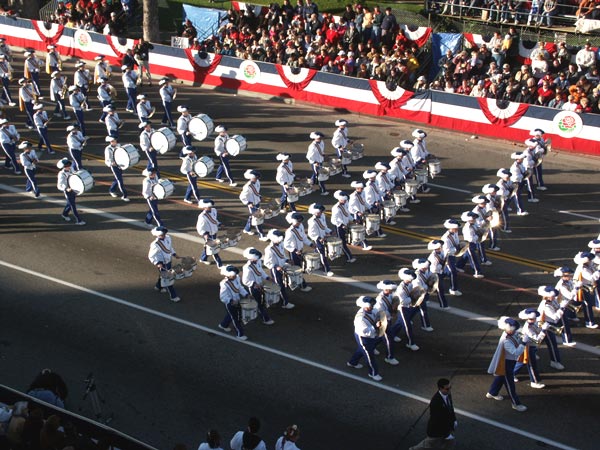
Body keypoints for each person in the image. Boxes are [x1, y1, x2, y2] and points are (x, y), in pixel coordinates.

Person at [486, 316, 528, 412]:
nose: (516, 331)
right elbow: (516, 352)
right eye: (515, 330)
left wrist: (522, 338)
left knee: (500, 377)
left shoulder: (510, 334)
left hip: (509, 362)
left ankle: (493, 392)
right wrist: (523, 343)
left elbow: (516, 338)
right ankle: (515, 403)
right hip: (506, 364)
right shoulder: (506, 340)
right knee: (510, 385)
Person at [409, 378, 457, 450]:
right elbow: (437, 420)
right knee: (428, 445)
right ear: (440, 388)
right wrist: (446, 433)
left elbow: (450, 407)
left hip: (446, 427)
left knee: (449, 443)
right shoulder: (436, 402)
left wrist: (454, 419)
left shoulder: (447, 394)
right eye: (447, 389)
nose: (450, 390)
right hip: (437, 431)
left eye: (450, 387)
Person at [347, 295, 384, 381]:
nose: (372, 307)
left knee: (362, 349)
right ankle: (373, 373)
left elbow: (377, 314)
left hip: (370, 335)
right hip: (364, 337)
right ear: (365, 307)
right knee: (369, 355)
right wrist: (376, 326)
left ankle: (352, 362)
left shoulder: (372, 310)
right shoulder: (360, 318)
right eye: (370, 306)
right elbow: (365, 331)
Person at [513, 308, 547, 389]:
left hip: (531, 346)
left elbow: (537, 331)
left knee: (522, 361)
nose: (533, 320)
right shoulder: (528, 327)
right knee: (532, 365)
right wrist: (544, 330)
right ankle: (534, 381)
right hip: (528, 347)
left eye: (534, 318)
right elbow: (537, 340)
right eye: (531, 319)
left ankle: (510, 374)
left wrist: (542, 328)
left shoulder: (533, 323)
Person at [390, 268, 421, 351]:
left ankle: (391, 334)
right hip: (403, 308)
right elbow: (402, 301)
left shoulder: (409, 284)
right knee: (407, 326)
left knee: (400, 323)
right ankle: (410, 343)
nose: (412, 281)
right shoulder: (401, 289)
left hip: (407, 307)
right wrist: (413, 297)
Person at [242, 247, 274, 325]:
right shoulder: (247, 268)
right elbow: (245, 281)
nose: (258, 259)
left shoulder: (258, 261)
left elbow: (261, 271)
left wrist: (267, 277)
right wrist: (254, 284)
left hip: (260, 284)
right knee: (258, 303)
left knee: (261, 300)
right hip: (254, 288)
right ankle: (265, 319)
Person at [263, 229, 295, 308]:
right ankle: (285, 303)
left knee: (283, 283)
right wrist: (276, 266)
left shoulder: (280, 244)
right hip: (275, 270)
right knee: (279, 285)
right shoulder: (269, 249)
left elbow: (282, 256)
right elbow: (266, 262)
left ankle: (279, 297)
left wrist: (287, 260)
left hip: (282, 266)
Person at [537, 285, 566, 370]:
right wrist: (561, 309)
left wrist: (561, 306)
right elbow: (555, 317)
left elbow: (557, 307)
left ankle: (532, 352)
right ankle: (555, 361)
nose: (554, 297)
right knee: (552, 344)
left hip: (550, 324)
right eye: (552, 296)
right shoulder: (546, 305)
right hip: (545, 325)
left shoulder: (552, 301)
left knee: (537, 342)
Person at [148, 226, 180, 302]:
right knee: (168, 278)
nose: (164, 235)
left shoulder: (168, 238)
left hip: (168, 261)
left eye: (164, 234)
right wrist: (158, 263)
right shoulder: (155, 244)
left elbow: (169, 248)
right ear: (158, 235)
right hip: (162, 263)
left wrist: (174, 254)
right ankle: (173, 296)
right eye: (162, 234)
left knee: (163, 275)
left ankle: (158, 286)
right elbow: (151, 256)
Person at [284, 212, 314, 292]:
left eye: (300, 221)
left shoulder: (300, 226)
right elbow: (286, 245)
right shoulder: (289, 232)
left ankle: (294, 281)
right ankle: (302, 285)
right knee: (297, 269)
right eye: (298, 221)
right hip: (294, 252)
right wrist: (294, 251)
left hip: (300, 250)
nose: (299, 223)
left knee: (299, 267)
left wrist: (310, 244)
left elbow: (303, 237)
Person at [373, 280, 400, 365]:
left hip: (388, 319)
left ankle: (372, 346)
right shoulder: (380, 299)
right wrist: (392, 312)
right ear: (386, 289)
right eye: (390, 289)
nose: (392, 291)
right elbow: (380, 312)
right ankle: (389, 357)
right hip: (382, 320)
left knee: (382, 336)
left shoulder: (390, 295)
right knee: (389, 339)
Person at [306, 203, 335, 277]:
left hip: (323, 237)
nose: (321, 213)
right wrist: (318, 238)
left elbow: (324, 227)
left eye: (321, 212)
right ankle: (327, 270)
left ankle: (313, 265)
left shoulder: (322, 216)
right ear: (314, 212)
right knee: (322, 254)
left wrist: (330, 231)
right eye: (319, 212)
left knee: (318, 253)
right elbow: (310, 233)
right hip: (318, 239)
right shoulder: (312, 221)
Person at [56, 158, 85, 225]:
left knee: (69, 204)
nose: (69, 166)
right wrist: (66, 188)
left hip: (73, 189)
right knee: (73, 206)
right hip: (68, 191)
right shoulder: (61, 174)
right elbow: (59, 185)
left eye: (69, 164)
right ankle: (78, 220)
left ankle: (64, 214)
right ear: (63, 167)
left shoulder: (71, 169)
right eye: (67, 166)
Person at [455, 211, 484, 279]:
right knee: (473, 257)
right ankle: (477, 271)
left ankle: (459, 266)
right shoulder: (467, 228)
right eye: (473, 218)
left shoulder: (474, 224)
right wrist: (478, 235)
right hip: (469, 244)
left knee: (466, 255)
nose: (474, 219)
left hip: (473, 243)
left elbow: (478, 227)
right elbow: (470, 239)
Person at [330, 190, 357, 263]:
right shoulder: (336, 208)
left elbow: (347, 214)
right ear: (340, 199)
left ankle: (335, 253)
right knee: (342, 242)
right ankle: (349, 257)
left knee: (343, 241)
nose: (346, 201)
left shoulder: (344, 205)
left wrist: (353, 220)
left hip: (345, 225)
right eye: (344, 200)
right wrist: (341, 225)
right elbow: (333, 220)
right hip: (339, 227)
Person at [240, 169, 267, 239]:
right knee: (257, 219)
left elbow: (256, 192)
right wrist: (248, 203)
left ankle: (247, 229)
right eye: (255, 178)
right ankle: (261, 235)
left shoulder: (257, 182)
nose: (256, 179)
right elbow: (242, 196)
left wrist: (260, 197)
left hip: (257, 202)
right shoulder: (247, 186)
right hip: (252, 204)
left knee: (252, 217)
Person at [196, 198, 223, 267]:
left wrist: (218, 223)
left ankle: (203, 258)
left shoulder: (214, 211)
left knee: (208, 248)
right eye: (209, 207)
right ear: (204, 207)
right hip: (207, 234)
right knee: (214, 249)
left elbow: (214, 220)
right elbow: (199, 227)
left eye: (210, 207)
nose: (210, 208)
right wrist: (205, 234)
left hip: (214, 232)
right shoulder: (202, 216)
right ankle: (220, 264)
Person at [411, 258, 435, 332]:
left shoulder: (427, 271)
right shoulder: (416, 275)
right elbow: (418, 287)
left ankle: (408, 317)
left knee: (416, 308)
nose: (426, 268)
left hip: (425, 293)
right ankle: (425, 325)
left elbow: (431, 276)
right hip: (418, 294)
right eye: (425, 267)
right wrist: (428, 286)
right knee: (423, 309)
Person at [348, 181, 373, 250]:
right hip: (356, 215)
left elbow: (364, 202)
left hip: (361, 213)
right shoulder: (353, 196)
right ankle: (365, 245)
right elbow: (350, 208)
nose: (362, 189)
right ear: (357, 188)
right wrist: (357, 212)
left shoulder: (361, 194)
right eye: (361, 188)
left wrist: (370, 207)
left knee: (359, 230)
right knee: (360, 230)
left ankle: (355, 242)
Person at [104, 136, 130, 202]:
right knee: (119, 180)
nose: (115, 142)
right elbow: (107, 160)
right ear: (111, 142)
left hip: (120, 165)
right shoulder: (108, 149)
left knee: (118, 179)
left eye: (115, 141)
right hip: (114, 166)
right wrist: (112, 163)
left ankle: (112, 190)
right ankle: (124, 195)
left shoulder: (118, 145)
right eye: (113, 141)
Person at [427, 240, 451, 308]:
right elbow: (434, 269)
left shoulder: (440, 252)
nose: (442, 247)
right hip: (434, 274)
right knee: (440, 289)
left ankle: (425, 299)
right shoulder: (433, 257)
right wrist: (441, 265)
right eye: (440, 247)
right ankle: (443, 305)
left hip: (439, 272)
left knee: (429, 287)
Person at [411, 129, 431, 193]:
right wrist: (421, 160)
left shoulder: (423, 142)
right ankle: (423, 187)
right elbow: (414, 156)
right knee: (421, 175)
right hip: (417, 162)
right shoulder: (415, 146)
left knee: (422, 174)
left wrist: (428, 154)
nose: (422, 138)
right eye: (421, 137)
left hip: (422, 160)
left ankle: (422, 186)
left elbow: (424, 150)